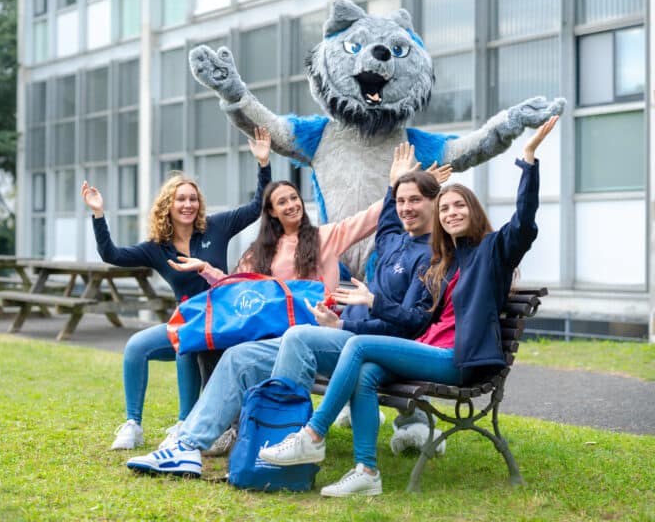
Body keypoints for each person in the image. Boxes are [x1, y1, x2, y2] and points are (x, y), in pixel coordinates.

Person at [258, 115, 559, 497]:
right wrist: (394, 184)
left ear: (472, 210)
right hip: (430, 349)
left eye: (458, 206)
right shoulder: (446, 259)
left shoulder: (492, 251)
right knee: (366, 371)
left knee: (358, 346)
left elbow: (524, 225)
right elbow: (390, 229)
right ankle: (367, 472)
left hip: (458, 358)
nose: (451, 213)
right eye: (445, 208)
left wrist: (528, 159)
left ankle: (313, 435)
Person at [125, 147, 451, 477]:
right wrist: (396, 185)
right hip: (319, 331)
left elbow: (378, 225)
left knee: (294, 337)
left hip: (334, 335)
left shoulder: (343, 240)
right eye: (282, 201)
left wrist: (404, 186)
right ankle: (188, 445)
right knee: (237, 355)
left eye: (416, 200)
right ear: (271, 212)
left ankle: (278, 444)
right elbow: (243, 291)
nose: (292, 205)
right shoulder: (265, 252)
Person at [81, 127, 272, 451]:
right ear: (167, 205)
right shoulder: (157, 247)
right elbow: (112, 255)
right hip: (187, 324)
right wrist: (98, 214)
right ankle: (133, 425)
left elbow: (256, 207)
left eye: (193, 199)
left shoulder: (216, 227)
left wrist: (263, 164)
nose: (188, 204)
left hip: (222, 324)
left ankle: (185, 423)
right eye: (181, 199)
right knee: (136, 346)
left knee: (186, 339)